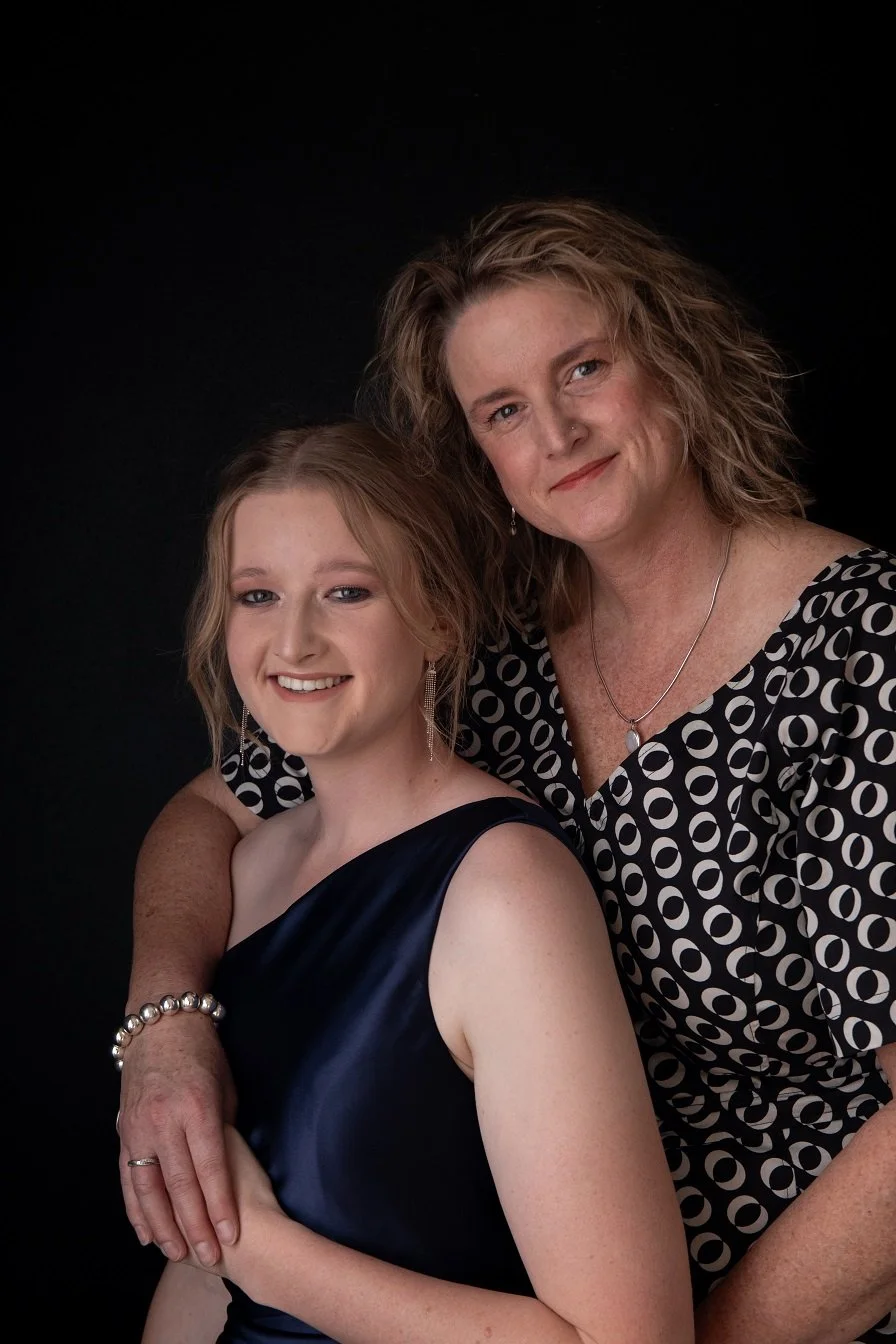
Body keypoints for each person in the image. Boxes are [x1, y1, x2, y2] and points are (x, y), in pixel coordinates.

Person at [118, 200, 896, 1343]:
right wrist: (165, 1020)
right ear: (478, 456)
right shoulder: (499, 658)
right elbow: (205, 813)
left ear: (672, 364)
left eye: (582, 369)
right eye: (503, 410)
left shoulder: (856, 646)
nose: (557, 433)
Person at [130, 420, 693, 1342]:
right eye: (258, 595)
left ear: (437, 616)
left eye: (345, 592)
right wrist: (222, 1246)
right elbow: (203, 1280)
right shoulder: (246, 872)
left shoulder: (505, 893)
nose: (295, 641)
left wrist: (254, 1247)